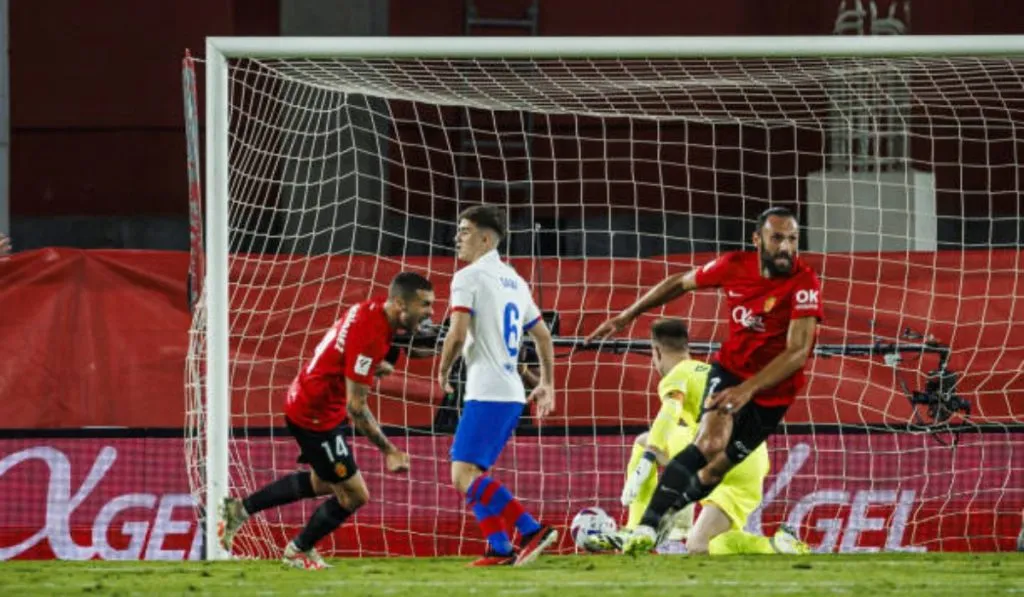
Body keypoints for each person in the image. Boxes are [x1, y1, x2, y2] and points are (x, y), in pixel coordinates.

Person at [587, 206, 823, 554]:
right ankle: (648, 527)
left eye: (792, 239)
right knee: (709, 442)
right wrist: (627, 315)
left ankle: (661, 520)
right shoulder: (733, 266)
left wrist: (748, 390)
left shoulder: (804, 283)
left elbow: (797, 353)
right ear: (757, 239)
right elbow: (680, 283)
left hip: (774, 392)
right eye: (777, 238)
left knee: (713, 472)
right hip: (730, 372)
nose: (786, 247)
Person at [218, 272, 435, 569]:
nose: (430, 312)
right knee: (356, 496)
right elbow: (356, 408)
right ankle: (298, 550)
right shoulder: (370, 334)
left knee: (323, 481)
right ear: (399, 303)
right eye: (424, 305)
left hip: (309, 399)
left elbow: (379, 347)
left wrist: (380, 364)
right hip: (315, 416)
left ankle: (240, 509)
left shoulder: (373, 308)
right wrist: (389, 451)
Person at [585, 318, 807, 555]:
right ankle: (775, 545)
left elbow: (671, 410)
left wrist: (649, 456)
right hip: (750, 461)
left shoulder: (677, 374)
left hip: (715, 453)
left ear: (656, 351)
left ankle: (634, 529)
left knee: (644, 442)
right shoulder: (710, 371)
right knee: (700, 545)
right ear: (686, 347)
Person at [437, 205, 558, 567]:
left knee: (462, 475)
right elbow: (543, 335)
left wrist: (442, 370)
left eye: (465, 231)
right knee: (473, 474)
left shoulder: (468, 277)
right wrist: (548, 383)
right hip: (509, 393)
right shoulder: (515, 281)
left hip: (488, 390)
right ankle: (500, 548)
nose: (458, 237)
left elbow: (457, 333)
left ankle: (532, 529)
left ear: (486, 239)